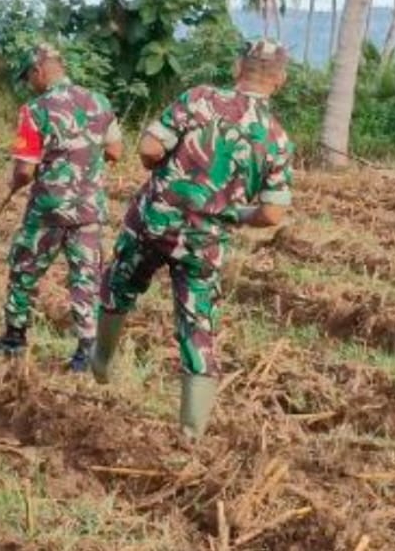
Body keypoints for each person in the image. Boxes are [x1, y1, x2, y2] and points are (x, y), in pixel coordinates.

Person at [91, 39, 294, 442]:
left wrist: (164, 171)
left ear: (239, 66)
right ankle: (190, 434)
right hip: (206, 239)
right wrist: (232, 212)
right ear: (281, 79)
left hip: (154, 220)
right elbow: (273, 214)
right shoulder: (276, 138)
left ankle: (101, 359)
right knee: (198, 325)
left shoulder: (198, 98)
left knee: (119, 285)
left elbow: (148, 149)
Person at [0, 43, 124, 371]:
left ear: (39, 71)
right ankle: (87, 351)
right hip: (89, 209)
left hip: (49, 208)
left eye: (28, 77)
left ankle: (14, 339)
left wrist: (15, 184)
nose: (29, 84)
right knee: (86, 278)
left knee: (24, 268)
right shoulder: (99, 102)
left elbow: (24, 170)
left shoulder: (35, 110)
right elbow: (116, 151)